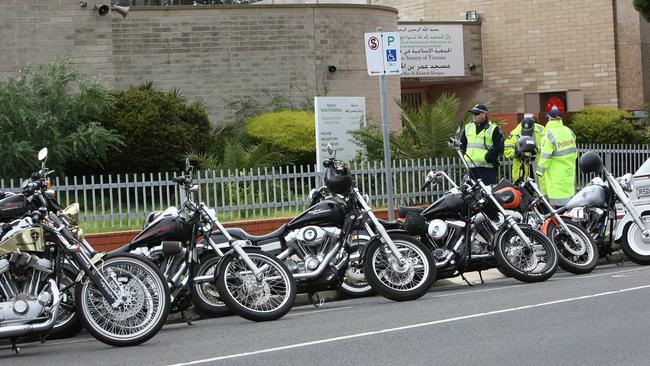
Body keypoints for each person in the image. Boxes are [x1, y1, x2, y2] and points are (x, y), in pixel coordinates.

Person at [535, 106, 578, 207]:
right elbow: (574, 151)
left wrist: (539, 172)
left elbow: (545, 156)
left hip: (556, 175)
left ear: (549, 119)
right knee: (569, 202)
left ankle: (562, 222)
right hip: (569, 172)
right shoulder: (568, 131)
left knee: (559, 206)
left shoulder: (549, 134)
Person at [460, 103, 504, 185]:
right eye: (472, 113)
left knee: (486, 194)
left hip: (486, 168)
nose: (474, 115)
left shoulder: (493, 128)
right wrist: (466, 157)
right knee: (469, 195)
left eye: (476, 113)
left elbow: (499, 147)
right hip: (471, 168)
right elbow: (462, 145)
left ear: (484, 114)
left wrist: (487, 158)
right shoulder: (468, 127)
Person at [504, 115, 545, 190]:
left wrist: (536, 148)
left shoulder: (541, 130)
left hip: (539, 167)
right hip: (521, 170)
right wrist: (516, 153)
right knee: (524, 195)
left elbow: (548, 146)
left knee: (542, 193)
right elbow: (506, 149)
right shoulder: (515, 133)